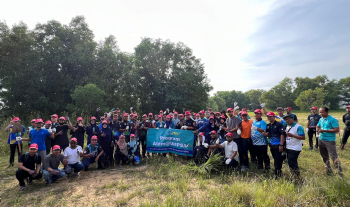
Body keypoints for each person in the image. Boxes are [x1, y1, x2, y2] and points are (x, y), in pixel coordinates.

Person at [316, 107, 342, 175]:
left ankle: (339, 172)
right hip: (321, 139)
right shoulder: (321, 119)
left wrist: (324, 130)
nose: (320, 113)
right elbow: (318, 126)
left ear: (327, 112)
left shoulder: (333, 120)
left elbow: (336, 130)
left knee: (334, 156)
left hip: (329, 140)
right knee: (324, 156)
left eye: (322, 112)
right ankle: (328, 170)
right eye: (320, 112)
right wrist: (317, 134)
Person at [262, 111, 285, 178]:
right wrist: (265, 134)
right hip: (271, 145)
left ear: (274, 117)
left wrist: (281, 145)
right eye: (268, 116)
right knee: (275, 158)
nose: (269, 118)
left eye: (270, 116)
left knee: (278, 159)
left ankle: (278, 173)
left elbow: (282, 134)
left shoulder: (279, 124)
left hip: (278, 145)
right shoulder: (268, 125)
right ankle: (276, 170)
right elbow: (268, 134)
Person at [284, 114, 305, 180]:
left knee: (292, 162)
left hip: (295, 148)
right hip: (288, 147)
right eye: (286, 119)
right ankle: (294, 175)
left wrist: (293, 136)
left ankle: (297, 177)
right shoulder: (287, 126)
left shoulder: (298, 127)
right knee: (290, 162)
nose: (287, 120)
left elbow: (303, 137)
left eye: (289, 119)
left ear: (293, 119)